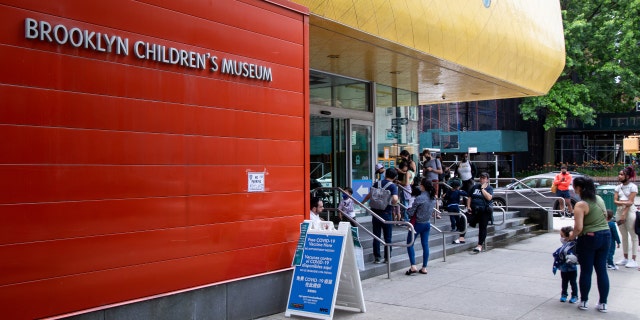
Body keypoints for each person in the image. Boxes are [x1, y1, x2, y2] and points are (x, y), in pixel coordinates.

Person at [567, 176, 610, 313]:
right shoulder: (600, 199)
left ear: (579, 188)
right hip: (606, 235)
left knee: (586, 270)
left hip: (589, 238)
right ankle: (603, 303)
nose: (573, 190)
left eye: (574, 187)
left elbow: (578, 228)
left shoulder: (581, 205)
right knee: (601, 270)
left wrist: (571, 237)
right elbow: (604, 218)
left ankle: (584, 301)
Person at [363, 167, 399, 264]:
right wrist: (394, 203)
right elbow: (395, 199)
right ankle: (387, 258)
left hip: (376, 213)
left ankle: (377, 257)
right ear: (395, 177)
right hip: (386, 213)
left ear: (385, 174)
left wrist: (362, 202)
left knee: (376, 236)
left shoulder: (377, 183)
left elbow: (369, 195)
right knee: (388, 237)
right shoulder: (392, 186)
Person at [405, 177, 436, 275]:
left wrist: (408, 209)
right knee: (425, 244)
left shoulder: (419, 198)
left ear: (423, 186)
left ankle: (413, 266)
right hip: (427, 223)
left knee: (410, 243)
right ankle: (424, 267)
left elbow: (410, 213)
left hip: (417, 224)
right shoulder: (432, 197)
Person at [613, 166, 638, 268]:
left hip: (630, 212)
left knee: (633, 236)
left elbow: (631, 202)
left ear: (627, 176)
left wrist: (624, 212)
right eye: (619, 174)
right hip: (619, 211)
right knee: (623, 235)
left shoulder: (633, 187)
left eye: (622, 174)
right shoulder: (618, 187)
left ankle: (633, 259)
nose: (619, 176)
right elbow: (615, 201)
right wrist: (623, 202)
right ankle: (625, 258)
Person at [466, 172, 493, 253]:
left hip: (484, 210)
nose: (482, 180)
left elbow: (489, 198)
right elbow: (469, 197)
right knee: (463, 219)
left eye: (484, 178)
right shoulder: (474, 187)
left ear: (487, 180)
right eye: (481, 178)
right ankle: (461, 237)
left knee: (482, 227)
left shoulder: (489, 188)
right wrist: (468, 206)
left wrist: (482, 189)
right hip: (474, 209)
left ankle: (479, 245)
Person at [552, 226, 578, 304]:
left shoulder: (573, 244)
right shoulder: (564, 246)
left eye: (562, 236)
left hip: (572, 267)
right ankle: (564, 294)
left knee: (573, 282)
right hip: (563, 267)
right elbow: (557, 255)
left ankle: (574, 296)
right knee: (564, 282)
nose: (561, 238)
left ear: (568, 236)